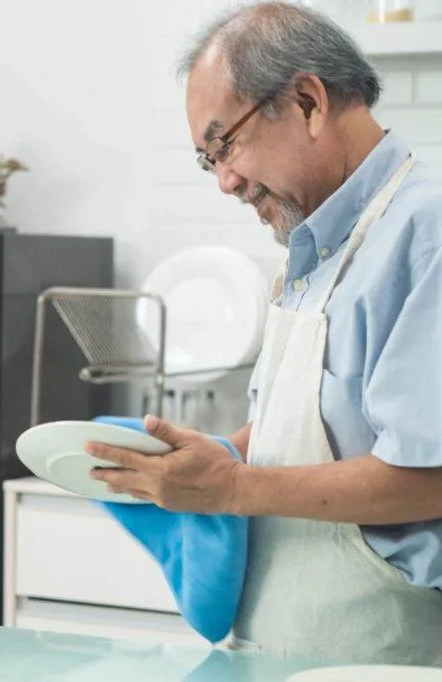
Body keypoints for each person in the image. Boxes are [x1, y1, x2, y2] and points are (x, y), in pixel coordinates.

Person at [87, 2, 442, 665]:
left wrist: (233, 488)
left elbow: (429, 474)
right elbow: (322, 428)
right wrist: (220, 451)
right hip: (284, 646)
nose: (225, 180)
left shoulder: (426, 236)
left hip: (385, 656)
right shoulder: (313, 252)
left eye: (225, 145)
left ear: (308, 101)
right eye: (206, 160)